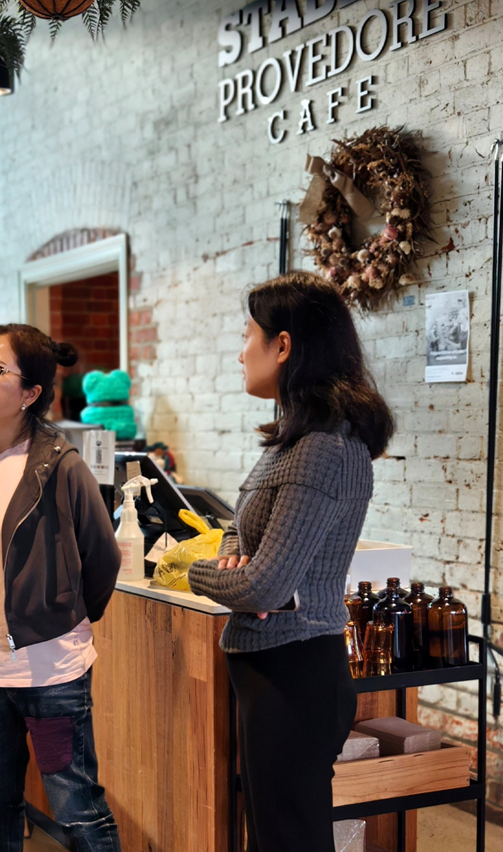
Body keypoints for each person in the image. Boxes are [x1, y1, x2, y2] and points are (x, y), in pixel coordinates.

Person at [186, 271, 394, 852]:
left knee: (289, 841)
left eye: (247, 336)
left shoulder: (323, 449)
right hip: (274, 669)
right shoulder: (295, 442)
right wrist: (235, 562)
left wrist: (198, 574)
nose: (240, 352)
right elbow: (237, 528)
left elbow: (264, 586)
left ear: (283, 345)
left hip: (296, 674)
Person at [0, 323, 122, 852]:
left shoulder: (61, 467)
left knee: (77, 808)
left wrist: (58, 619)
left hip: (49, 672)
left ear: (31, 393)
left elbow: (103, 558)